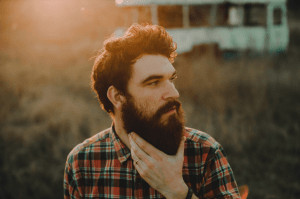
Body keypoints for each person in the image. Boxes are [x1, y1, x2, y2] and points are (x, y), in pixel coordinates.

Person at [64, 24, 241, 199]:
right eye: (154, 82)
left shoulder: (204, 153)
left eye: (171, 79)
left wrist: (177, 191)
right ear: (117, 97)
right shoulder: (83, 163)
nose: (174, 93)